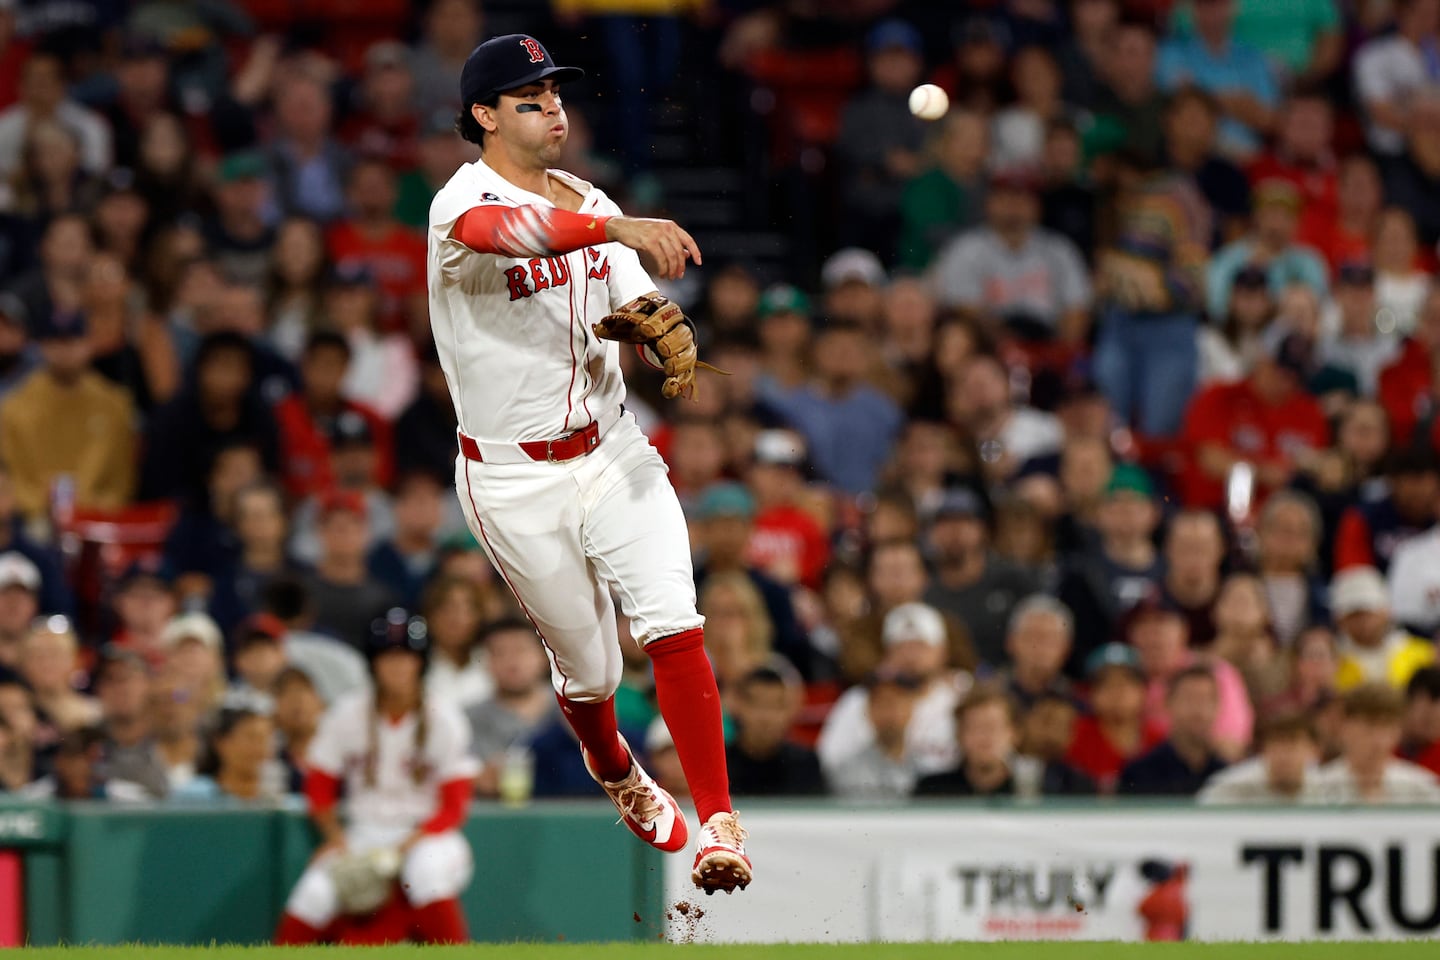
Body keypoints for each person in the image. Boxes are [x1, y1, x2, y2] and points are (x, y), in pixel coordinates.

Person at [426, 34, 748, 893]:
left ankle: (719, 822)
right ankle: (613, 766)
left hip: (611, 449)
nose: (553, 106)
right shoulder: (459, 204)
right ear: (484, 117)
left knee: (673, 618)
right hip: (513, 477)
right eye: (528, 97)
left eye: (556, 92)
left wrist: (649, 316)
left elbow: (624, 301)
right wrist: (617, 225)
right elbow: (513, 232)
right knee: (593, 672)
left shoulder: (584, 195)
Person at [274, 610, 477, 945]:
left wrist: (407, 846)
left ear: (420, 663)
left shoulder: (445, 717)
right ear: (373, 663)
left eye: (406, 657)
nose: (397, 665)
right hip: (363, 832)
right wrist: (334, 839)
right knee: (314, 893)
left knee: (424, 872)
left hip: (427, 834)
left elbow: (454, 807)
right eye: (388, 656)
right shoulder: (348, 712)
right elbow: (319, 786)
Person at [916, 684, 1093, 797]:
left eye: (993, 727)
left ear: (1014, 734)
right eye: (975, 727)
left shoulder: (1047, 786)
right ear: (959, 735)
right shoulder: (931, 791)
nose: (985, 737)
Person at [464, 619, 558, 797]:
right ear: (486, 662)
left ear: (544, 657)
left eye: (521, 650)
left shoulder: (572, 710)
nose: (512, 662)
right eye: (500, 653)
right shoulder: (467, 719)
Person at [1310, 683, 1440, 803]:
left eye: (1387, 727)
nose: (1379, 740)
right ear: (1345, 727)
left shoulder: (1421, 789)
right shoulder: (1315, 790)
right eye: (1369, 727)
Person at [1066, 643, 1167, 792]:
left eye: (1127, 683)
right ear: (1090, 694)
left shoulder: (1160, 739)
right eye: (1106, 684)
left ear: (1143, 691)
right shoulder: (1073, 736)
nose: (1117, 692)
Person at [1119, 666, 1229, 796]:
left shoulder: (1228, 775)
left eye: (1207, 699)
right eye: (1190, 698)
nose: (1199, 708)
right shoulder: (1140, 774)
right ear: (1168, 703)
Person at [724, 665, 825, 797]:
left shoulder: (805, 764)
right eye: (757, 705)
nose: (766, 717)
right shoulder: (721, 765)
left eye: (775, 706)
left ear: (789, 710)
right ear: (739, 706)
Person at [1331, 566, 1436, 691]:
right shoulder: (1333, 660)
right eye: (1354, 616)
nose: (1363, 622)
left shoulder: (1424, 654)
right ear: (1340, 620)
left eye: (1369, 613)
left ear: (1385, 611)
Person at [1197, 711, 1321, 804]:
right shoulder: (1231, 787)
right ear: (1263, 750)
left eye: (1292, 744)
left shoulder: (1324, 788)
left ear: (1313, 750)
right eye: (1276, 744)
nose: (1284, 755)